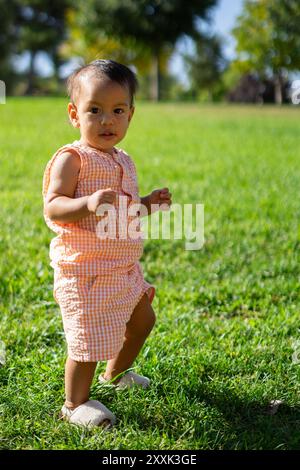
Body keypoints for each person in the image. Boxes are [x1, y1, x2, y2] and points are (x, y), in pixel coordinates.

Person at [42, 59, 172, 428]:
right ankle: (74, 404)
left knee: (143, 320)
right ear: (74, 113)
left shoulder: (123, 160)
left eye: (117, 111)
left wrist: (146, 204)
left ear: (131, 114)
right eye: (94, 110)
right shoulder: (73, 159)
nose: (106, 121)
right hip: (85, 271)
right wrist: (86, 202)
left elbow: (123, 209)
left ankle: (114, 376)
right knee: (86, 344)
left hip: (122, 269)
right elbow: (53, 205)